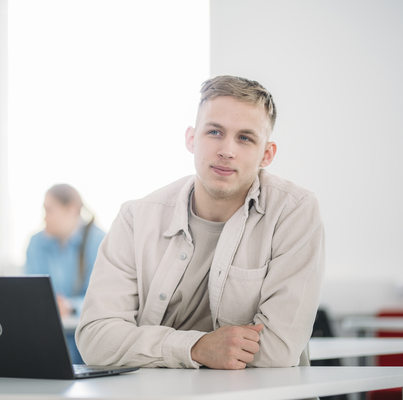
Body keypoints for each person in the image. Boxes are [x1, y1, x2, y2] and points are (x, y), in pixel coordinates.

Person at [76, 75, 325, 370]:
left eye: (245, 138)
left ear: (266, 154)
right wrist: (195, 348)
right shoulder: (136, 218)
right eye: (215, 132)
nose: (227, 150)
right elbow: (95, 339)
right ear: (191, 139)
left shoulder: (293, 212)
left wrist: (146, 347)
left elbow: (277, 351)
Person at [24, 184, 106, 363]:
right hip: (45, 338)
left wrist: (70, 305)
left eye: (49, 211)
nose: (45, 218)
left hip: (87, 345)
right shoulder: (36, 243)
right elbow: (28, 290)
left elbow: (105, 296)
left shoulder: (100, 241)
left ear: (72, 209)